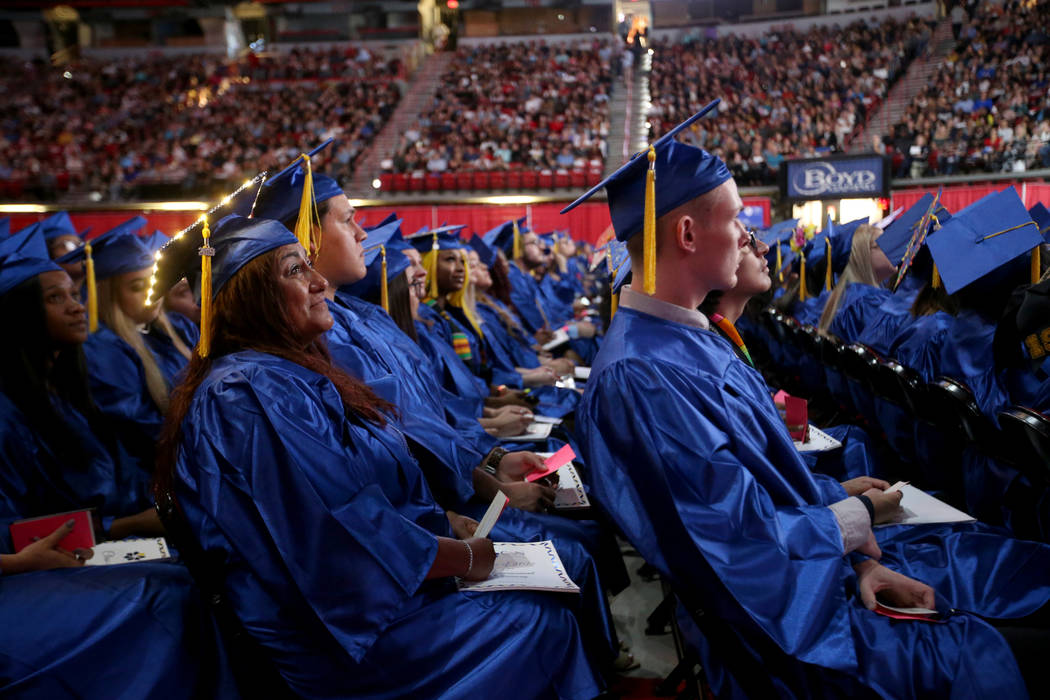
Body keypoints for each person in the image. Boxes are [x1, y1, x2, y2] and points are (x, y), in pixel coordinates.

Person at [569, 101, 1050, 698]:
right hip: (791, 638)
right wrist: (853, 536)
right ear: (688, 233)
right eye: (739, 218)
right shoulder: (643, 375)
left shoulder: (682, 342)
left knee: (1000, 565)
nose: (750, 235)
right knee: (997, 639)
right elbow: (735, 546)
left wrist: (860, 554)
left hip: (813, 581)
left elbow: (766, 492)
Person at [152, 214, 604, 699]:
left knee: (550, 594)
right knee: (540, 619)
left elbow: (361, 492)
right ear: (247, 298)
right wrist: (457, 556)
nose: (319, 280)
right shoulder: (246, 395)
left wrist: (444, 521)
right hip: (336, 636)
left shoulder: (286, 372)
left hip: (367, 600)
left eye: (309, 265)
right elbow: (331, 535)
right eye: (294, 271)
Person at [0, 225, 160, 537]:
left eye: (74, 294)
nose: (78, 306)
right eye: (56, 298)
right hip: (58, 570)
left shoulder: (66, 394)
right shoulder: (7, 418)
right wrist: (128, 526)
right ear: (20, 315)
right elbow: (13, 533)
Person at [57, 217, 193, 464]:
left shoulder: (178, 328)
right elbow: (140, 429)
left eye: (155, 281)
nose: (152, 293)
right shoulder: (101, 350)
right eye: (137, 286)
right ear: (108, 293)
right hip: (149, 475)